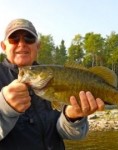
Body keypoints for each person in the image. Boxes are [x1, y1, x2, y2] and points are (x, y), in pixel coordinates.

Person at [0, 18, 104, 150]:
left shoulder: (49, 77)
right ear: (3, 46)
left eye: (29, 39)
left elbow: (66, 134)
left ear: (38, 46)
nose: (22, 44)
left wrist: (71, 117)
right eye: (14, 39)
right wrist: (5, 107)